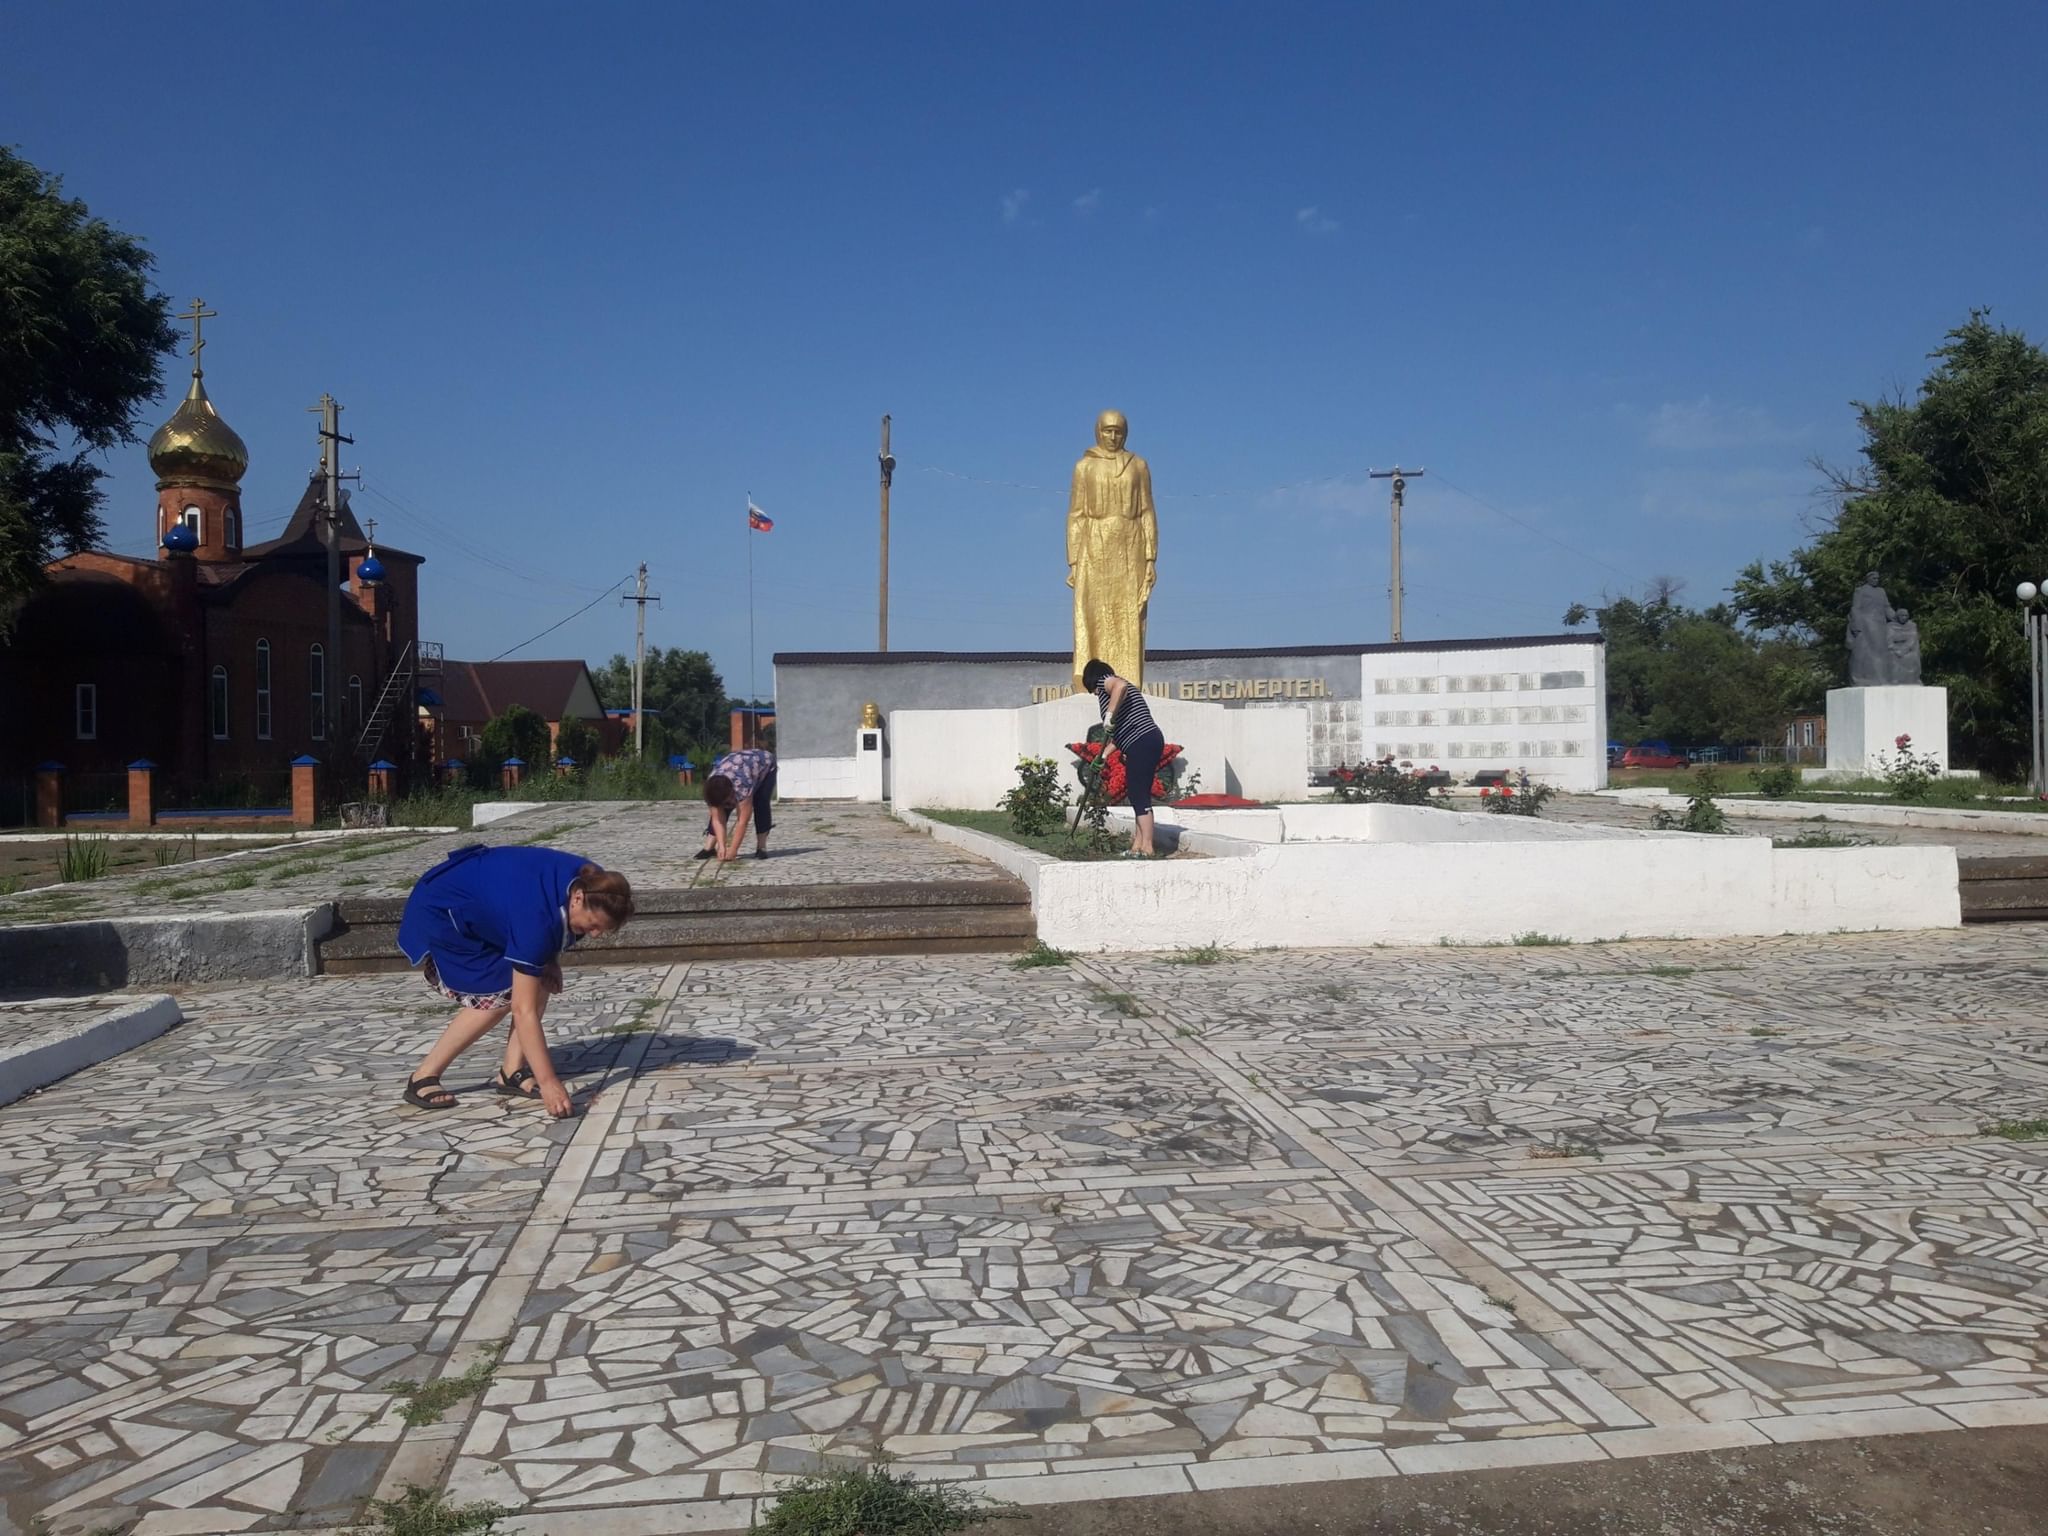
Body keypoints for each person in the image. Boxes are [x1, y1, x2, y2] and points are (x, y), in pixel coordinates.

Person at [397, 845, 635, 1116]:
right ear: (578, 898)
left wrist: (551, 959)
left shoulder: (599, 884)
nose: (592, 935)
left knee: (538, 977)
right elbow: (524, 1011)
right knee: (497, 998)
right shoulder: (537, 918)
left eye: (600, 930)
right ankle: (423, 1076)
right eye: (592, 925)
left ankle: (512, 1070)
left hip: (492, 902)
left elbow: (547, 925)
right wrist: (549, 1083)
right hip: (443, 908)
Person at [1081, 656, 1166, 858]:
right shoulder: (1110, 695)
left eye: (1090, 689)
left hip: (1143, 740)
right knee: (1136, 792)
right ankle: (1137, 845)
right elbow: (1119, 737)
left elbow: (1120, 686)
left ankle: (1147, 847)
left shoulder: (1106, 682)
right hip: (1139, 741)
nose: (1093, 693)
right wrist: (1101, 756)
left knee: (1139, 793)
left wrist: (1109, 715)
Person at [700, 746, 776, 862]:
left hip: (764, 763)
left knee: (761, 803)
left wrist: (733, 850)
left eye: (727, 801)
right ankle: (710, 848)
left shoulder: (742, 785)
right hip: (737, 766)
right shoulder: (711, 788)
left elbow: (742, 822)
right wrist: (721, 846)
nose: (728, 805)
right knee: (721, 810)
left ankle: (761, 847)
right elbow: (717, 819)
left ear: (731, 792)